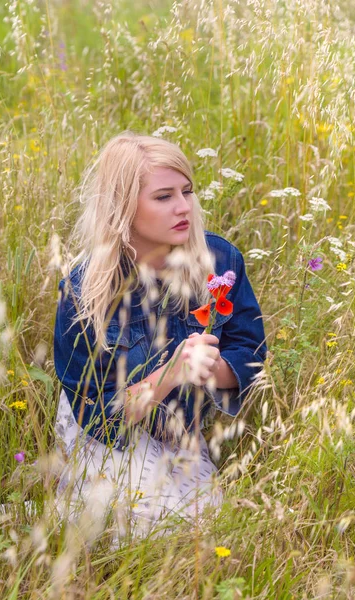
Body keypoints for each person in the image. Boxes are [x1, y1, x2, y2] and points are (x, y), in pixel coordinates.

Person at [53, 131, 267, 542]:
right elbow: (97, 416)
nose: (184, 207)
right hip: (107, 428)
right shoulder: (85, 290)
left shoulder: (220, 261)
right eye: (164, 196)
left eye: (187, 191)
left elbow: (251, 352)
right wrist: (171, 374)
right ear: (123, 206)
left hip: (177, 429)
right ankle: (68, 492)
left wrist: (214, 370)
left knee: (204, 526)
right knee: (132, 527)